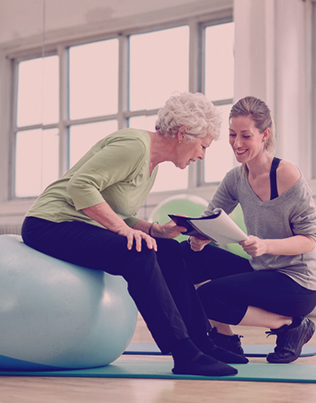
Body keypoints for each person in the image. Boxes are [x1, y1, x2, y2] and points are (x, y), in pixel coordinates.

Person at [21, 92, 247, 377]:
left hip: (79, 223)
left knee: (170, 249)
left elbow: (115, 209)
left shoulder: (151, 164)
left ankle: (203, 342)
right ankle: (184, 352)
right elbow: (80, 187)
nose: (201, 155)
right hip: (49, 223)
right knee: (137, 253)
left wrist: (155, 230)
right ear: (182, 134)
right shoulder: (134, 146)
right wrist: (124, 230)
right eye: (202, 146)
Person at [181, 96, 316, 364]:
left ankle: (290, 326)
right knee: (185, 254)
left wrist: (266, 245)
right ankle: (225, 338)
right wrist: (199, 235)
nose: (237, 143)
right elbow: (210, 216)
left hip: (297, 283)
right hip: (262, 270)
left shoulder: (287, 175)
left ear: (264, 135)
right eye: (233, 135)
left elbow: (309, 240)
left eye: (246, 136)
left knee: (208, 297)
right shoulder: (236, 178)